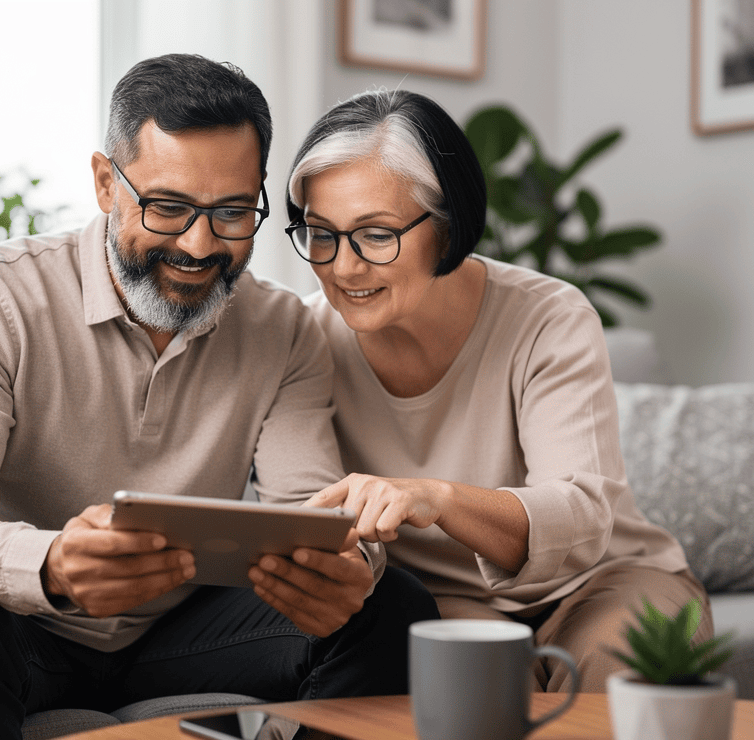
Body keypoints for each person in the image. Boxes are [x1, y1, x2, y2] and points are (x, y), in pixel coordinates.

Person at [0, 56, 438, 740]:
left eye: (232, 213)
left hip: (172, 633)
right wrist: (54, 564)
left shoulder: (283, 329)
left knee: (390, 606)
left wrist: (346, 567)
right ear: (105, 183)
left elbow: (304, 509)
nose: (198, 245)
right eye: (168, 207)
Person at [283, 89, 711, 693]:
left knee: (614, 688)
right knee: (475, 701)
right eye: (321, 234)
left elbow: (583, 514)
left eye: (375, 235)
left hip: (604, 580)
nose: (343, 268)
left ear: (448, 224)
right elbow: (320, 522)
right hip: (449, 601)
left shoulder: (549, 318)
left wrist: (439, 498)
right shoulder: (302, 340)